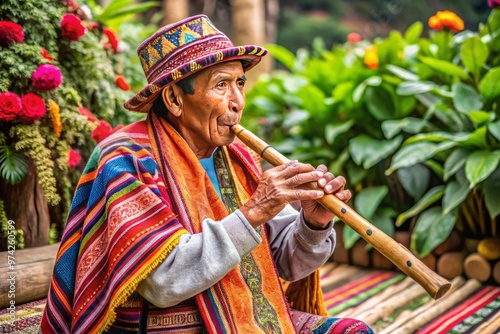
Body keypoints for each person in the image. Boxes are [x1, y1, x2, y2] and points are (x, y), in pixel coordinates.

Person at [40, 14, 374, 334]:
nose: (238, 101)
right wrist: (254, 211)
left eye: (240, 83)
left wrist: (313, 225)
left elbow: (287, 265)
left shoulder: (237, 158)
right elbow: (163, 283)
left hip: (250, 319)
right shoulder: (127, 158)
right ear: (173, 98)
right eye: (221, 85)